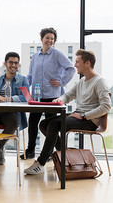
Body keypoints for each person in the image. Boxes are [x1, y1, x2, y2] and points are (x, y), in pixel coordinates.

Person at [24, 49, 111, 175]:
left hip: (89, 121)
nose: (74, 65)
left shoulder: (99, 82)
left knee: (53, 125)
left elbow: (106, 106)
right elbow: (68, 95)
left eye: (77, 62)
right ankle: (63, 156)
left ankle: (41, 163)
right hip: (78, 116)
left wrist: (84, 115)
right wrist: (59, 99)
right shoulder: (82, 81)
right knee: (43, 124)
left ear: (87, 63)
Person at [22, 27, 75, 159]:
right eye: (47, 38)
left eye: (52, 39)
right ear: (41, 39)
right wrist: (22, 86)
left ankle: (56, 152)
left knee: (50, 127)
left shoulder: (57, 54)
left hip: (52, 96)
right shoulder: (35, 57)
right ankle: (30, 151)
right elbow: (30, 75)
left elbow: (71, 69)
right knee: (33, 123)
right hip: (37, 97)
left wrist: (61, 81)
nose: (49, 40)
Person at [0, 52, 30, 166]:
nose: (13, 65)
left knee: (14, 122)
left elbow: (26, 97)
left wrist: (9, 98)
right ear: (5, 63)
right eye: (11, 62)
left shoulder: (23, 80)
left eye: (16, 63)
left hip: (10, 113)